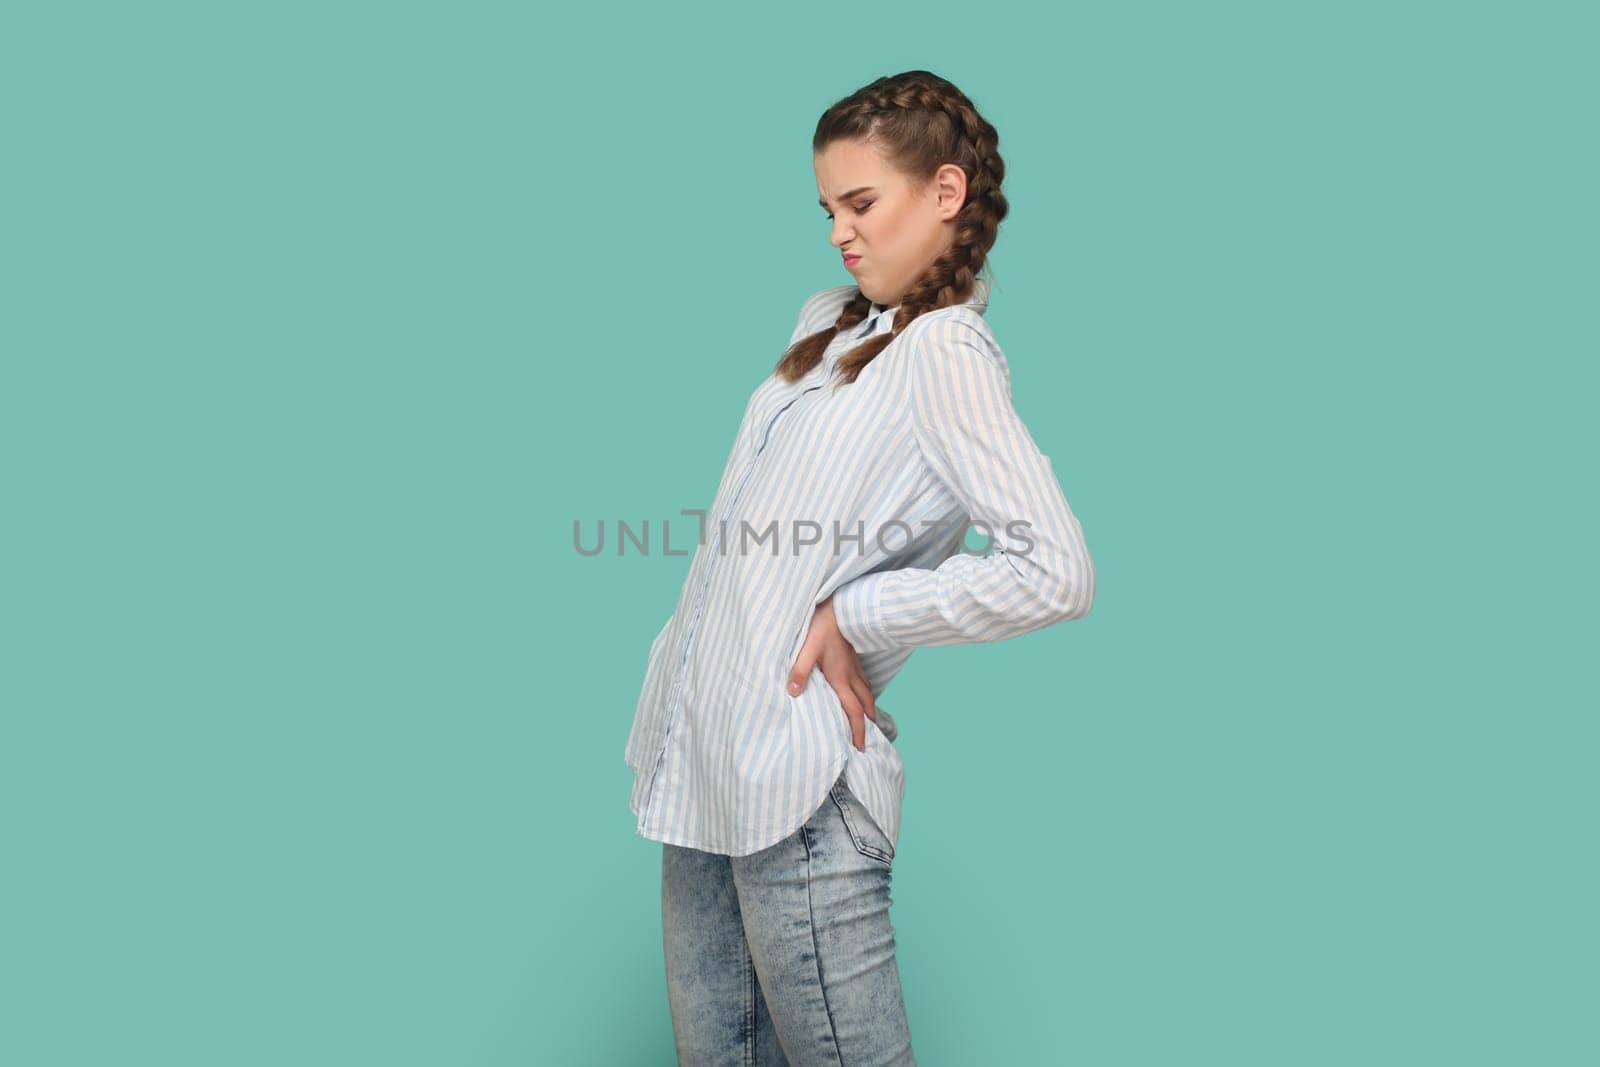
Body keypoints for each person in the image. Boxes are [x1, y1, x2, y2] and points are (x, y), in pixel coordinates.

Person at [623, 69, 1096, 1065]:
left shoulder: (945, 350)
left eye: (862, 203)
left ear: (945, 192)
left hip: (799, 784)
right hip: (705, 762)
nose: (840, 230)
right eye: (828, 207)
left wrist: (859, 611)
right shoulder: (825, 324)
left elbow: (1055, 569)